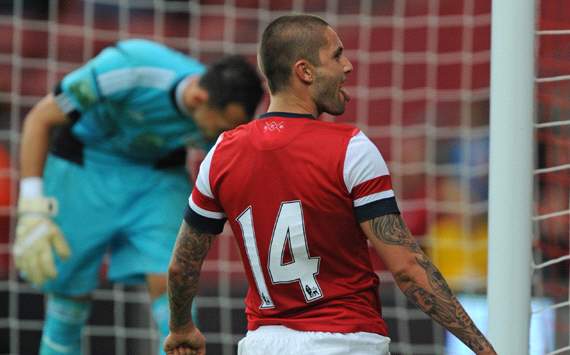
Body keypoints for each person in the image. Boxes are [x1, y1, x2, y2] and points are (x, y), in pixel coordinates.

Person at [164, 15, 496, 355]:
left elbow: (181, 266)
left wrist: (181, 327)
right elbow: (408, 269)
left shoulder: (222, 153)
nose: (348, 66)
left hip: (263, 344)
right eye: (337, 55)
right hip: (346, 342)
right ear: (305, 71)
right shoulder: (351, 149)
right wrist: (482, 348)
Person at [13, 38, 263, 355]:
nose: (223, 136)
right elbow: (40, 118)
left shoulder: (219, 109)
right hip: (86, 167)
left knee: (175, 282)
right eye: (223, 127)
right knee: (70, 296)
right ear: (199, 99)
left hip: (155, 177)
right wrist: (32, 205)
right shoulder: (129, 68)